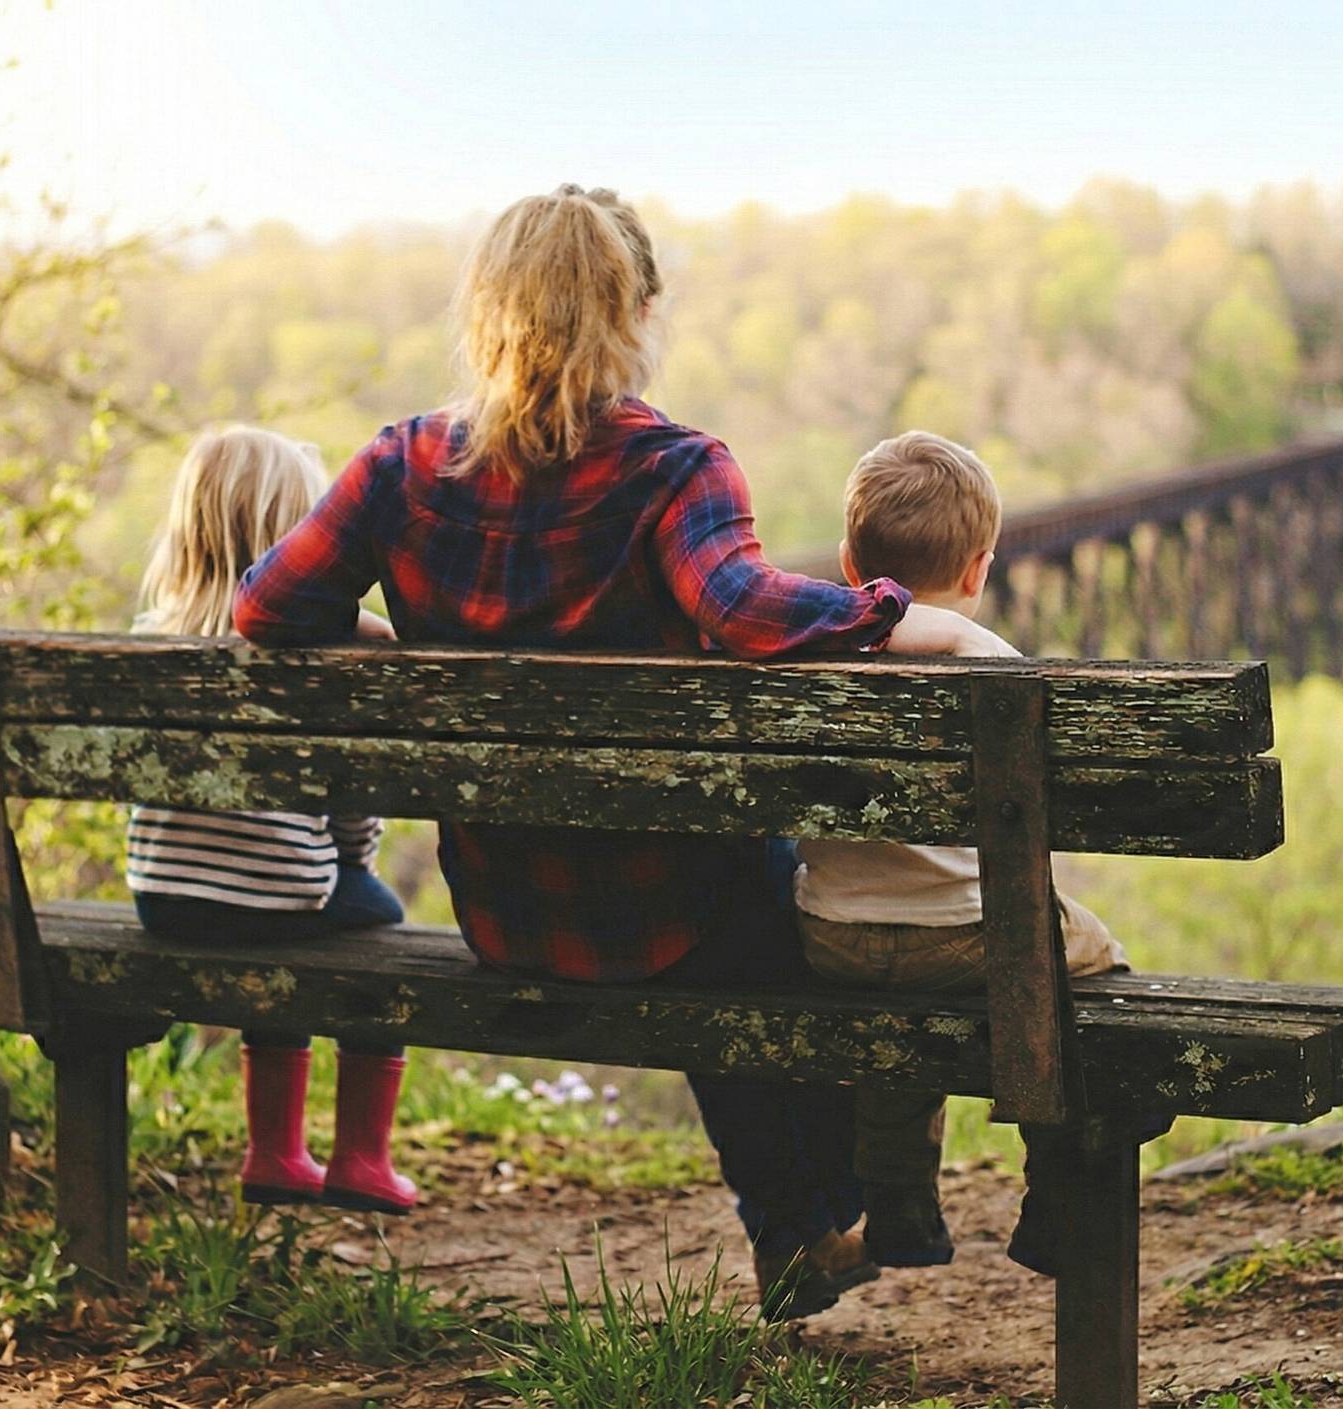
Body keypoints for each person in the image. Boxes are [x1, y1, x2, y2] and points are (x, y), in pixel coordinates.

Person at [231, 185, 1010, 1317]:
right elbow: (742, 610)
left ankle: (799, 1224)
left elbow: (266, 606)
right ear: (637, 310)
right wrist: (896, 610)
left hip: (507, 914)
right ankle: (810, 1212)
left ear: (489, 312)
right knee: (772, 890)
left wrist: (390, 638)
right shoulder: (675, 470)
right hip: (676, 916)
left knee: (732, 886)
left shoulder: (402, 467)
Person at [794, 431, 1128, 1273]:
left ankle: (900, 1197)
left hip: (830, 937)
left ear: (847, 561)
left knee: (895, 1010)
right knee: (1091, 960)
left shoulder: (813, 652)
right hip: (966, 938)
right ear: (979, 570)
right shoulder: (995, 664)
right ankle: (1059, 1188)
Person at [127, 425, 418, 1216]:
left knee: (285, 914)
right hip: (277, 894)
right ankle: (361, 1157)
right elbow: (352, 799)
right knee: (379, 925)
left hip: (163, 896)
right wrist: (349, 860)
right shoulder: (311, 653)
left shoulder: (149, 643)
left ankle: (275, 1151)